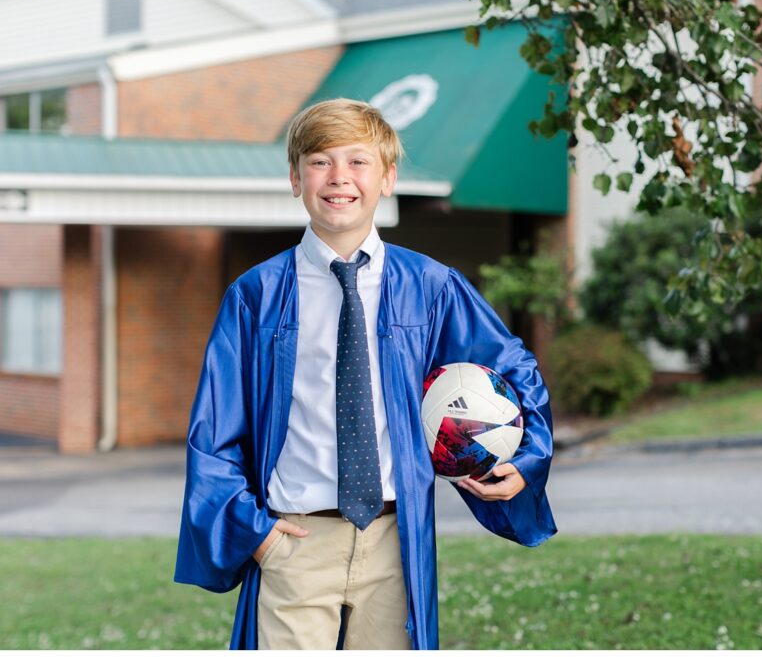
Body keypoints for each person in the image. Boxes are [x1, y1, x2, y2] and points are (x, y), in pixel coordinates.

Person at [174, 98, 556, 650]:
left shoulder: (429, 286)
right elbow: (214, 433)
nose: (339, 178)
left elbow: (512, 370)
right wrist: (256, 536)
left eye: (358, 162)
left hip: (393, 542)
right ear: (295, 177)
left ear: (388, 178)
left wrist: (523, 459)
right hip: (294, 541)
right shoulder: (256, 297)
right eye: (320, 161)